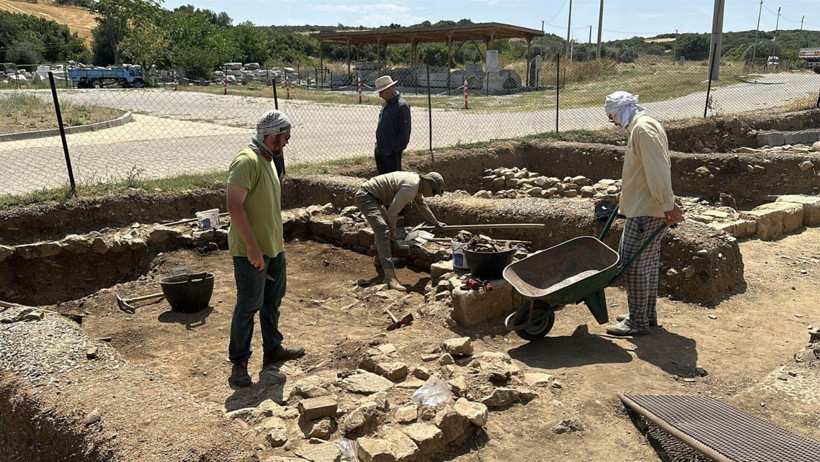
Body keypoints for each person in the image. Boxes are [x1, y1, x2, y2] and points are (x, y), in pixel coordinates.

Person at [226, 109, 304, 387]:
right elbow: (234, 205)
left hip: (273, 247)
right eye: (284, 137)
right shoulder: (247, 161)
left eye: (288, 137)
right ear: (270, 134)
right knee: (248, 306)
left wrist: (273, 246)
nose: (286, 142)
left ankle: (272, 348)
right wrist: (252, 247)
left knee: (272, 301)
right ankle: (239, 363)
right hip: (252, 251)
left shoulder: (269, 158)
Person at [603, 91, 685, 336]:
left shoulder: (642, 130)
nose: (614, 123)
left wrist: (667, 204)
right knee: (646, 262)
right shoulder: (642, 126)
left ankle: (637, 322)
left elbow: (657, 170)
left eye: (612, 117)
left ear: (621, 111)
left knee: (633, 263)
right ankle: (646, 315)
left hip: (646, 210)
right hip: (645, 205)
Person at [355, 171, 445, 291]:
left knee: (384, 229)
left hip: (374, 198)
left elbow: (421, 205)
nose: (433, 196)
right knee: (383, 230)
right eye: (434, 192)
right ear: (428, 184)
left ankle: (379, 259)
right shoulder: (411, 186)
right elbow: (392, 212)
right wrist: (392, 236)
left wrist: (435, 222)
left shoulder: (416, 184)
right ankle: (389, 277)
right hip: (367, 196)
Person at [373, 75, 411, 175]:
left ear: (390, 89)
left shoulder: (401, 105)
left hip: (392, 153)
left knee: (393, 183)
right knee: (383, 182)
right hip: (381, 151)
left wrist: (396, 150)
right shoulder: (386, 104)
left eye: (381, 92)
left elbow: (405, 132)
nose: (380, 96)